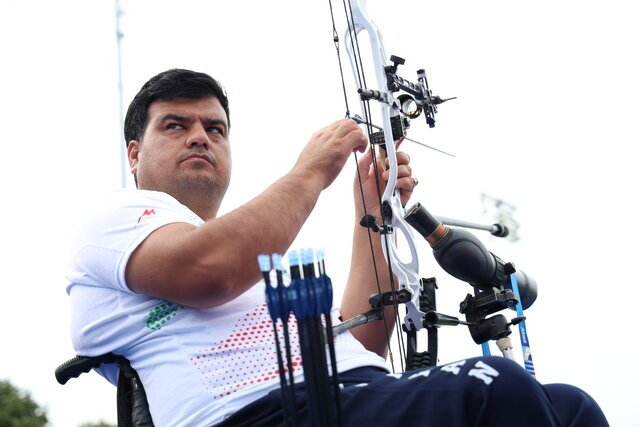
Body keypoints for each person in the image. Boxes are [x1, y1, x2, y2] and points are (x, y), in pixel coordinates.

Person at [65, 69, 608, 426]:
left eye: (216, 128)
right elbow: (209, 270)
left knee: (572, 408)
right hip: (262, 415)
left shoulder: (257, 250)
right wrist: (312, 171)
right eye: (176, 126)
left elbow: (366, 335)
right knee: (495, 387)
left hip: (354, 395)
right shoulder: (114, 220)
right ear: (134, 154)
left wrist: (369, 207)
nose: (201, 136)